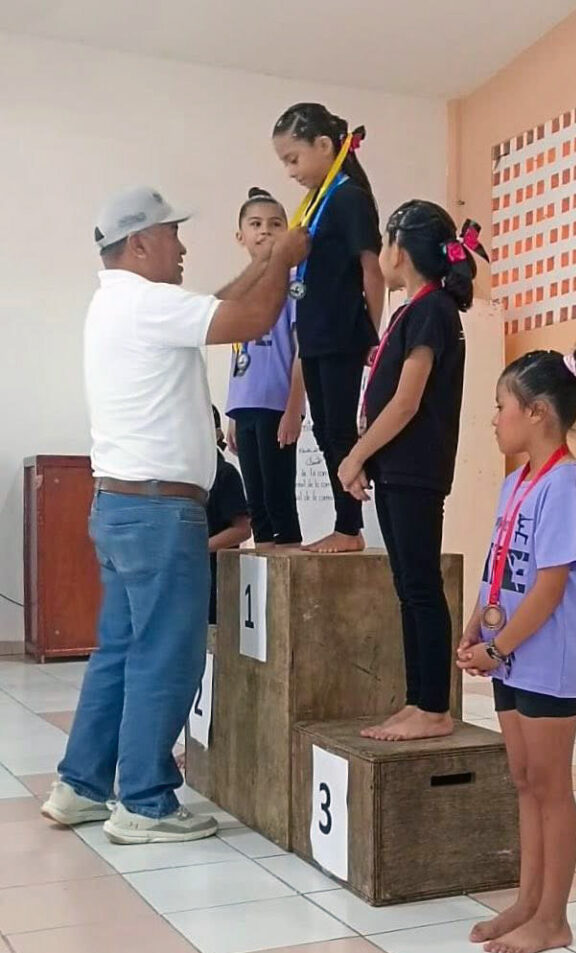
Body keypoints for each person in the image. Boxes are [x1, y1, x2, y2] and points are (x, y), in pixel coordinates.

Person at [41, 185, 308, 844]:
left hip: (123, 507)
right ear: (140, 243)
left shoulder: (121, 302)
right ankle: (146, 803)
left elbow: (216, 301)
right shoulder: (146, 304)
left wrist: (261, 261)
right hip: (159, 513)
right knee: (167, 657)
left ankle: (80, 786)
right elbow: (250, 319)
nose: (182, 246)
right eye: (172, 234)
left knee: (120, 652)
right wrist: (285, 260)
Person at [456, 335, 576, 953]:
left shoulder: (565, 486)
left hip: (548, 661)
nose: (494, 419)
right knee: (523, 780)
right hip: (513, 656)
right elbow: (499, 562)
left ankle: (553, 917)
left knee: (551, 785)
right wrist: (476, 626)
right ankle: (527, 900)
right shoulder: (517, 482)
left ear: (537, 413)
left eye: (502, 407)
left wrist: (497, 650)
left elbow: (549, 589)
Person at [339, 201, 487, 741]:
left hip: (416, 470)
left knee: (421, 586)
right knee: (409, 586)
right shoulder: (416, 309)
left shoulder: (433, 311)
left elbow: (406, 403)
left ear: (399, 249)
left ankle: (434, 707)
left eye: (385, 241)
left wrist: (356, 455)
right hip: (398, 470)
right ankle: (418, 699)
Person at [272, 102, 385, 553]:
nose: (290, 171)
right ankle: (345, 523)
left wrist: (373, 334)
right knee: (323, 431)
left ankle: (349, 528)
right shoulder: (318, 202)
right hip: (316, 334)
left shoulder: (348, 197)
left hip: (342, 333)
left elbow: (372, 271)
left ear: (323, 146)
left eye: (293, 159)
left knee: (338, 430)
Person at [225, 188, 304, 550]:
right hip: (245, 406)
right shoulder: (241, 289)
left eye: (275, 224)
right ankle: (263, 574)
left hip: (277, 404)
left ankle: (288, 567)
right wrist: (232, 413)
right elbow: (237, 351)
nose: (265, 231)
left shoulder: (294, 284)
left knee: (278, 497)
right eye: (255, 224)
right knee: (256, 504)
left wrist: (294, 408)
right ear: (240, 236)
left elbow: (302, 349)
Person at [207, 405, 251, 624]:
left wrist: (199, 548)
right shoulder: (181, 474)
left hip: (216, 578)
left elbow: (242, 529)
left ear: (217, 433)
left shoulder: (225, 474)